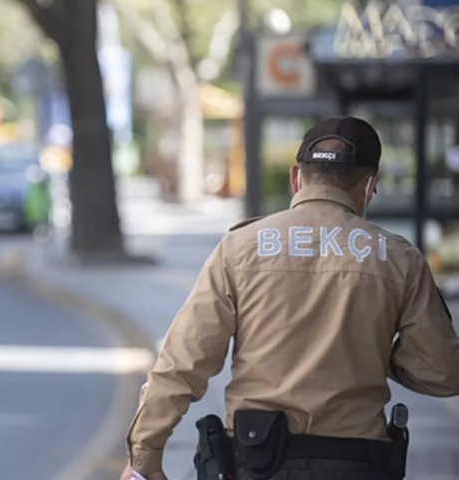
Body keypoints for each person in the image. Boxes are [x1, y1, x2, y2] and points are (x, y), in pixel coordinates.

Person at [119, 116, 459, 480]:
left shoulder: (240, 247)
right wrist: (374, 349)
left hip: (256, 460)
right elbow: (444, 372)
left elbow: (183, 360)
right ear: (370, 185)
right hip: (357, 463)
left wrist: (144, 456)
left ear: (296, 177)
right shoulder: (399, 258)